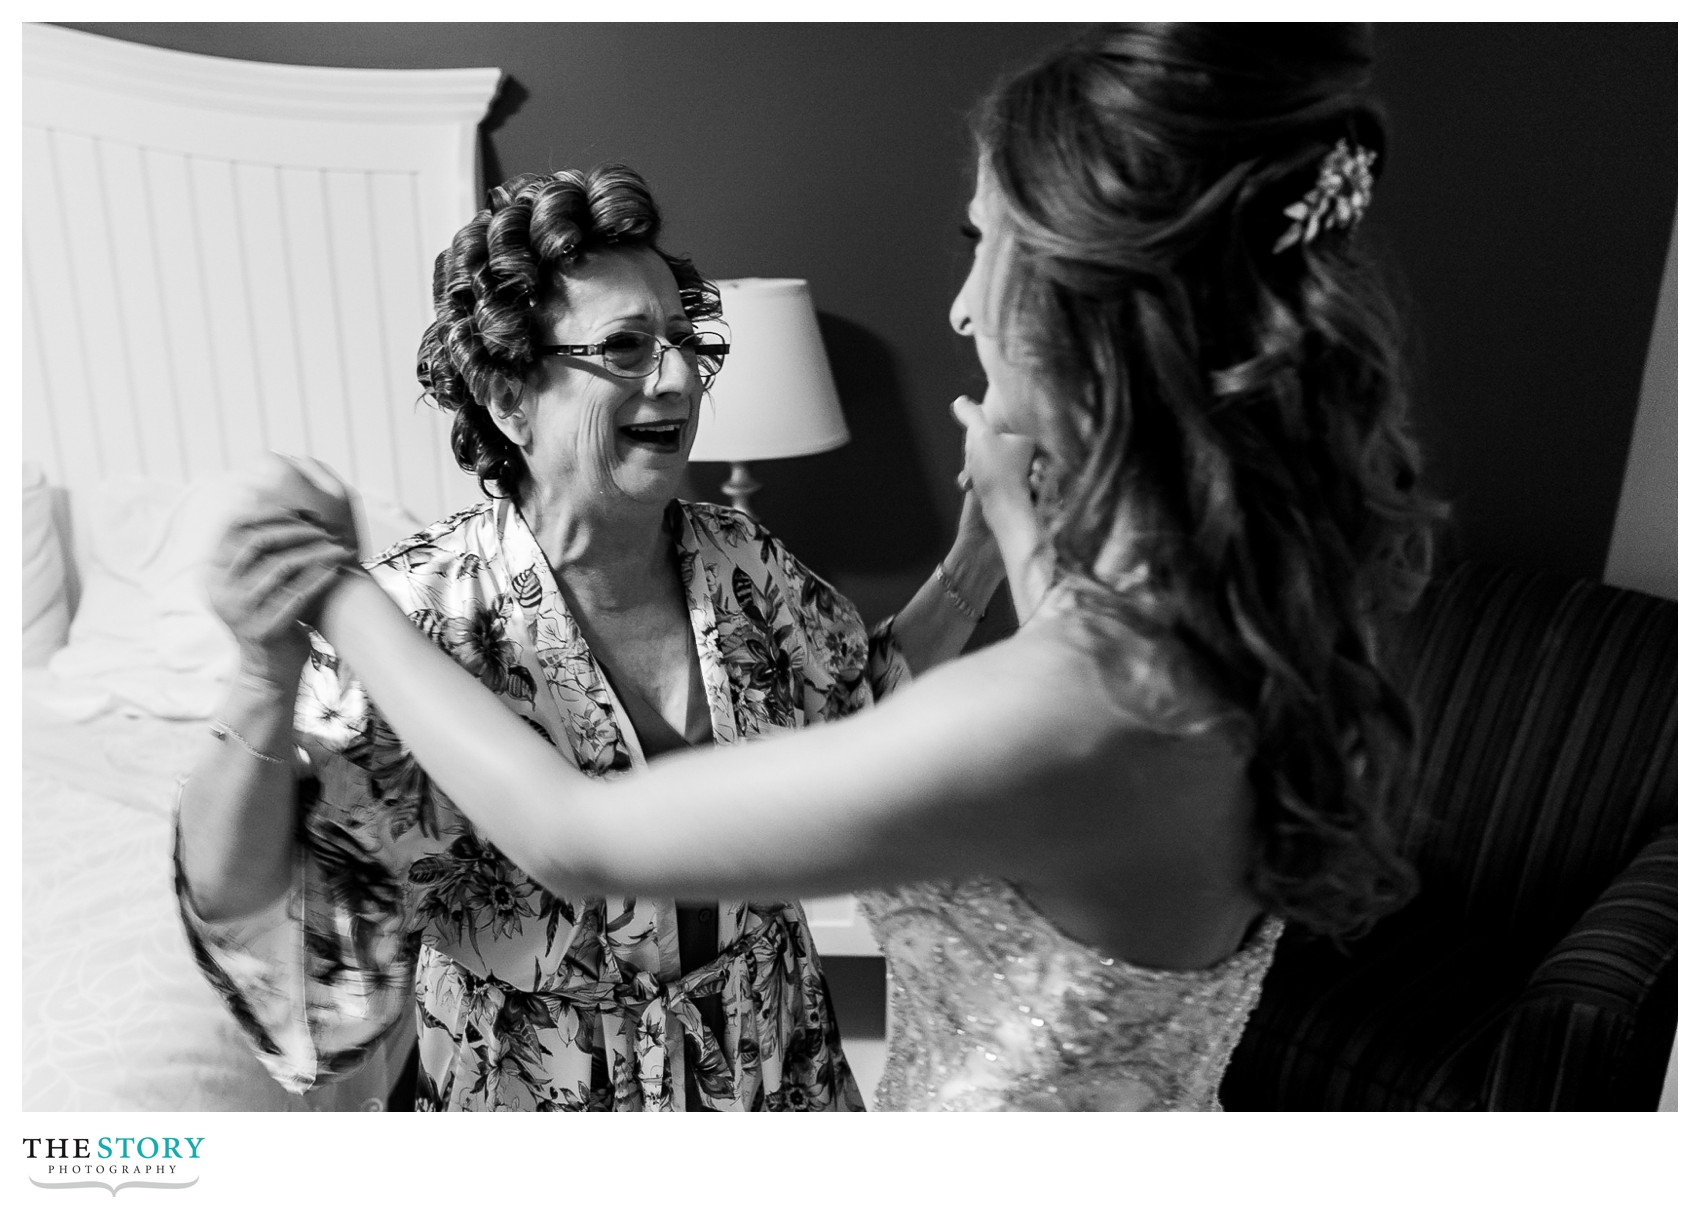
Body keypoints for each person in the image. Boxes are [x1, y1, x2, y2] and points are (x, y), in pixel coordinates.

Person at [234, 22, 1444, 1111]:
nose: (964, 306)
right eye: (621, 348)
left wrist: (329, 581)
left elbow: (588, 826)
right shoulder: (1239, 619)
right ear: (504, 390)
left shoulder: (1033, 690)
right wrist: (1002, 536)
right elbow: (284, 897)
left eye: (986, 246)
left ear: (1090, 303)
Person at [174, 163, 1005, 1112]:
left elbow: (868, 711)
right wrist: (259, 671)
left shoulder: (744, 561)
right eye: (625, 345)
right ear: (507, 395)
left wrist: (979, 555)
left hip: (773, 1058)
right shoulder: (419, 619)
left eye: (684, 340)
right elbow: (250, 894)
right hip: (538, 1094)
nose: (681, 375)